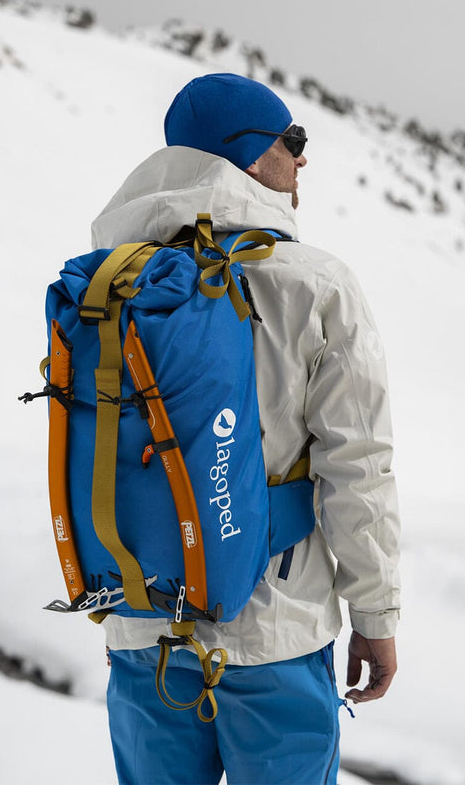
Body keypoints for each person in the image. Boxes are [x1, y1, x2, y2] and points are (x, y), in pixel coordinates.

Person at [93, 72, 401, 785]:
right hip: (276, 633)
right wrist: (376, 616)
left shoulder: (111, 282)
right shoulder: (314, 283)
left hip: (144, 629)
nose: (302, 161)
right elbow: (359, 465)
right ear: (249, 156)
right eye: (292, 141)